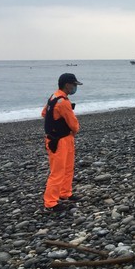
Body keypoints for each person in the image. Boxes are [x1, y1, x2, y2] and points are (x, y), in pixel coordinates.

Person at [42, 73, 82, 212]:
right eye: (74, 85)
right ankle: (51, 202)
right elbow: (73, 124)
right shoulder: (63, 102)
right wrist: (74, 129)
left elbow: (44, 113)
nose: (75, 87)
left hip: (59, 138)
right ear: (67, 85)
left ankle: (65, 193)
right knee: (58, 171)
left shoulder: (53, 97)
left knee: (67, 167)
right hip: (60, 141)